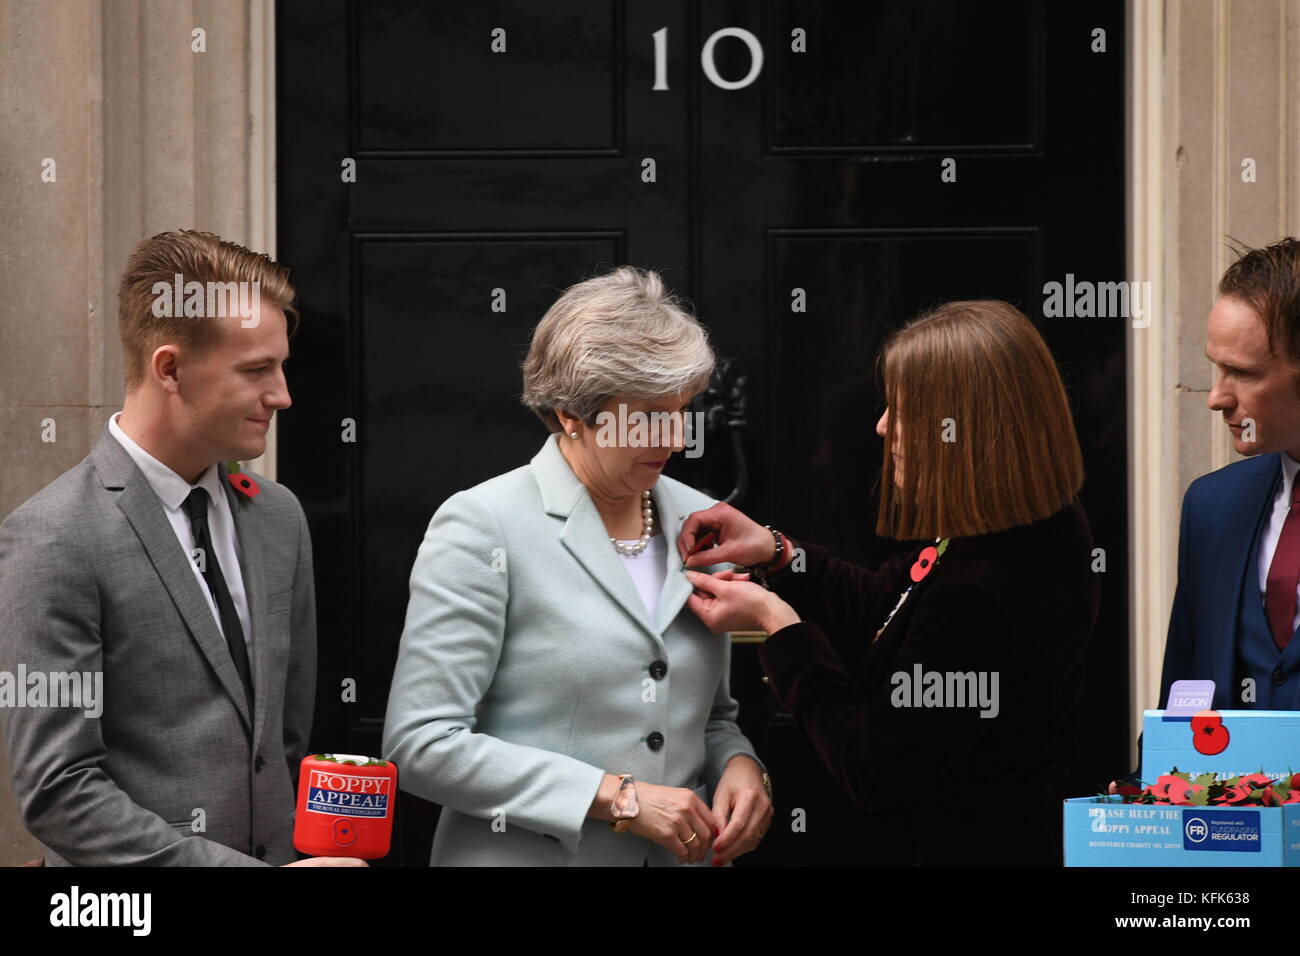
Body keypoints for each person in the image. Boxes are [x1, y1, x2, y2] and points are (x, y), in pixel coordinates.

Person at [678, 300, 1100, 866]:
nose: (882, 426)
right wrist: (777, 552)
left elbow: (871, 766)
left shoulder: (982, 592)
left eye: (903, 411)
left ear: (962, 430)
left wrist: (778, 626)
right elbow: (890, 602)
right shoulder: (1034, 522)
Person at [382, 266, 772, 866]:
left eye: (683, 409)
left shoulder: (702, 520)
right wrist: (616, 797)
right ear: (571, 413)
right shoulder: (484, 524)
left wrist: (741, 765)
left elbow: (709, 716)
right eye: (646, 415)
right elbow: (421, 745)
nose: (675, 438)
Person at [0, 230, 357, 866]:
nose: (283, 394)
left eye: (281, 366)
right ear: (170, 368)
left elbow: (285, 743)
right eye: (256, 370)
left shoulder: (279, 517)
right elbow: (58, 791)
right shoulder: (51, 537)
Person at [1160, 237, 1300, 712]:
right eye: (1216, 369)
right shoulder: (1212, 505)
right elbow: (1183, 692)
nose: (1215, 397)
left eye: (1242, 373)